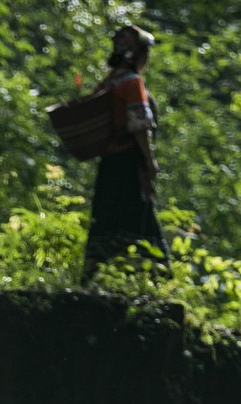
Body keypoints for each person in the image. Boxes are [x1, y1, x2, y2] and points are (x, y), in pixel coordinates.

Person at [82, 24, 166, 281]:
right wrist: (150, 161)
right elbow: (139, 124)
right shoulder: (132, 82)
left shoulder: (109, 82)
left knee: (106, 217)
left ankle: (91, 274)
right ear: (139, 55)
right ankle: (158, 275)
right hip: (129, 162)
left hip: (109, 162)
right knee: (141, 217)